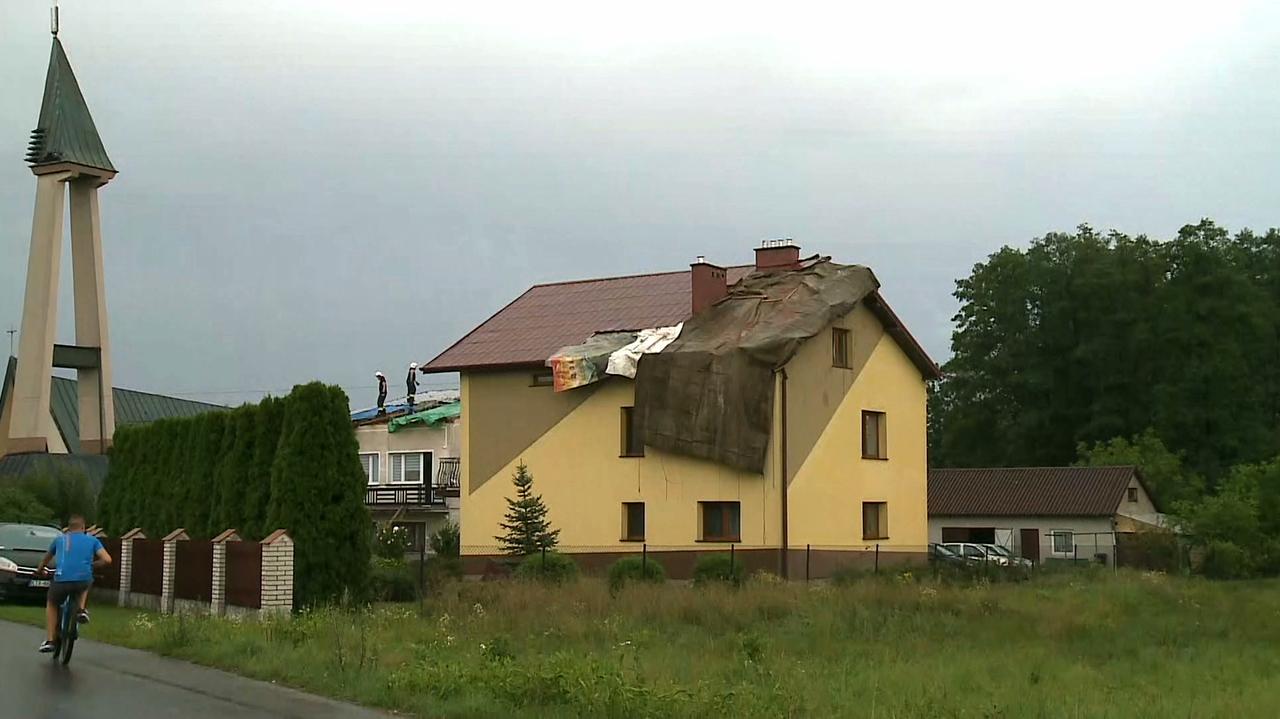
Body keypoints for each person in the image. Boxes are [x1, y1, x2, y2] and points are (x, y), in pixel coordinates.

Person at [34, 515, 111, 653]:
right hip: (82, 580)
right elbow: (107, 559)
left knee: (52, 603)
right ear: (83, 528)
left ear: (68, 529)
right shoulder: (92, 540)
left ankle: (51, 641)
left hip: (61, 579)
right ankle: (81, 610)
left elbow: (46, 559)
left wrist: (39, 570)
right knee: (86, 581)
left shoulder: (59, 540)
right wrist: (92, 565)